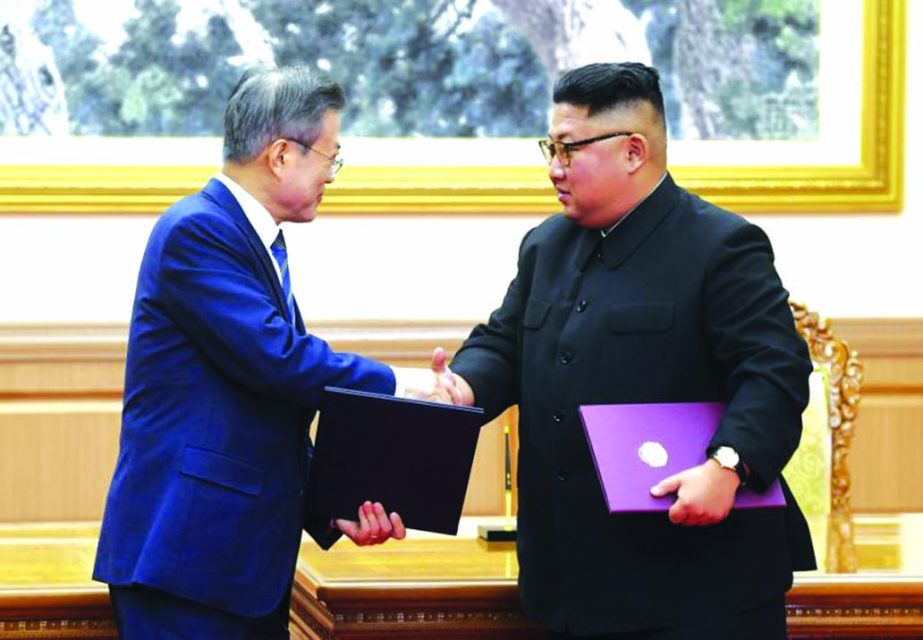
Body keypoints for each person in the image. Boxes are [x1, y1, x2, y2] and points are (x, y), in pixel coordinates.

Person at [449, 62, 816, 639]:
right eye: (550, 147)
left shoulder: (721, 246)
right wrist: (461, 386)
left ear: (633, 151)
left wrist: (729, 466)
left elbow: (775, 373)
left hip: (696, 587)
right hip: (569, 580)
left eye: (569, 150)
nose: (553, 168)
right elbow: (505, 343)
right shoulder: (545, 245)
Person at [93, 65, 459, 639]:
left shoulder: (254, 241)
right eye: (329, 157)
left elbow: (267, 410)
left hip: (235, 567)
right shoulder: (198, 231)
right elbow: (279, 362)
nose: (332, 176)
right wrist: (403, 383)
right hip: (188, 565)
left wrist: (331, 508)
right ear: (283, 155)